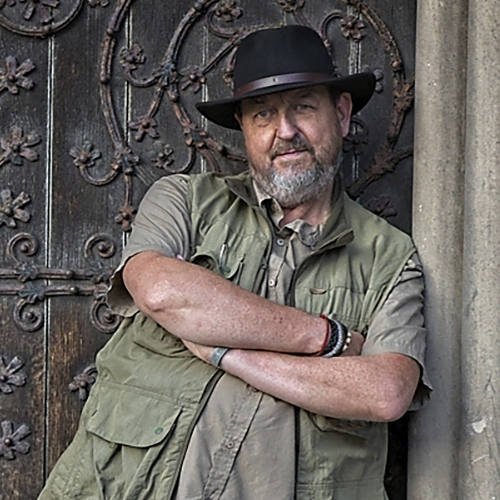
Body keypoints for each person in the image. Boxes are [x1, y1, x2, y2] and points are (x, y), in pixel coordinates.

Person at [39, 25, 431, 500]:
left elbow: (386, 392)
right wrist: (324, 338)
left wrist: (226, 352)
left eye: (304, 107)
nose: (285, 131)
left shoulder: (390, 255)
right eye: (263, 113)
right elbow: (160, 291)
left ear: (342, 114)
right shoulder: (183, 201)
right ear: (244, 129)